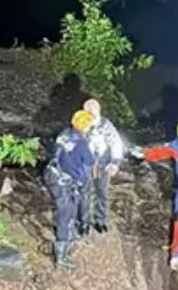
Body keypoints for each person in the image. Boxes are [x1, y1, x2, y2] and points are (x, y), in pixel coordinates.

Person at [44, 110, 95, 269]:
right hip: (63, 181)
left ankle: (67, 235)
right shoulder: (81, 144)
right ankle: (61, 255)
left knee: (67, 209)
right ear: (86, 127)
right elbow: (90, 161)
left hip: (52, 175)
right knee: (65, 214)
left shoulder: (64, 133)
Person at [82, 98, 124, 233]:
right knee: (85, 193)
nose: (90, 116)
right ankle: (84, 222)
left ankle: (100, 220)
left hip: (103, 164)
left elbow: (116, 143)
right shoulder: (81, 123)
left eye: (93, 113)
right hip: (86, 165)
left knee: (102, 193)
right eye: (88, 112)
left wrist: (115, 162)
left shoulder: (106, 125)